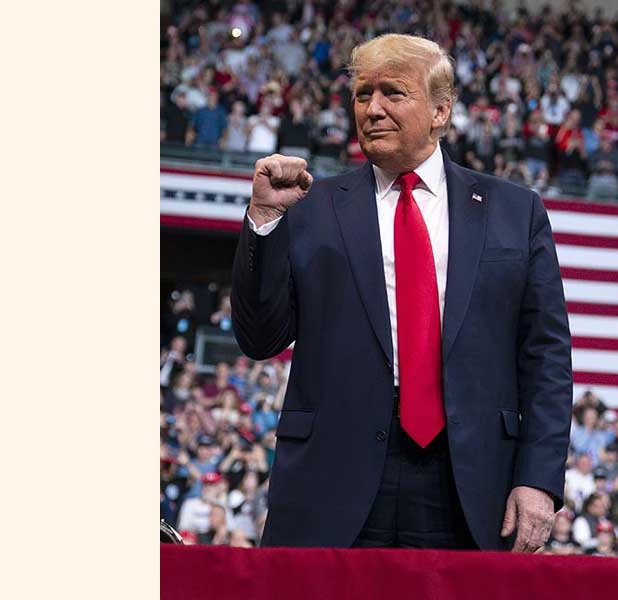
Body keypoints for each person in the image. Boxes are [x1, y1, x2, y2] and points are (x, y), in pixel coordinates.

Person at [230, 34, 572, 552]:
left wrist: (539, 479)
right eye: (363, 94)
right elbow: (260, 337)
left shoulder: (514, 211)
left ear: (440, 110)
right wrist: (264, 220)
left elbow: (546, 355)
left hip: (470, 483)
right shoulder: (310, 206)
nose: (373, 108)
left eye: (393, 92)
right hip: (331, 476)